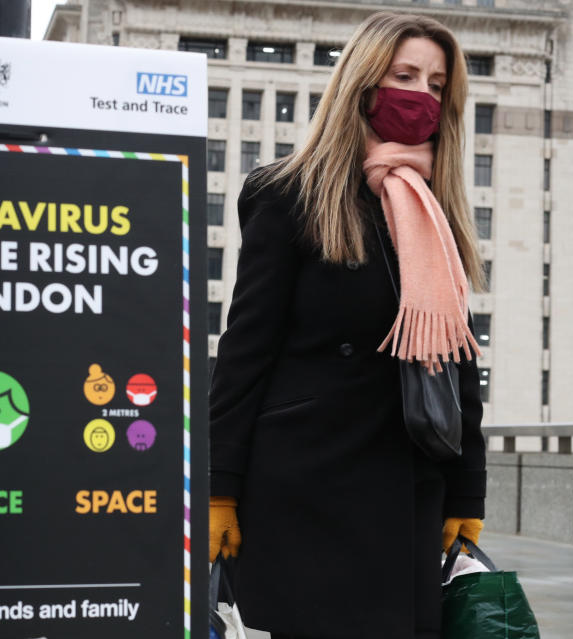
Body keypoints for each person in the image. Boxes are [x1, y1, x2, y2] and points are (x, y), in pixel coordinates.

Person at [208, 12, 488, 639]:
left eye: (438, 85)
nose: (422, 95)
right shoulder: (288, 193)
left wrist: (468, 491)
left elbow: (457, 356)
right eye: (405, 75)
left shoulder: (434, 210)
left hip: (408, 488)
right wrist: (219, 485)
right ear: (362, 83)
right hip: (304, 488)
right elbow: (246, 348)